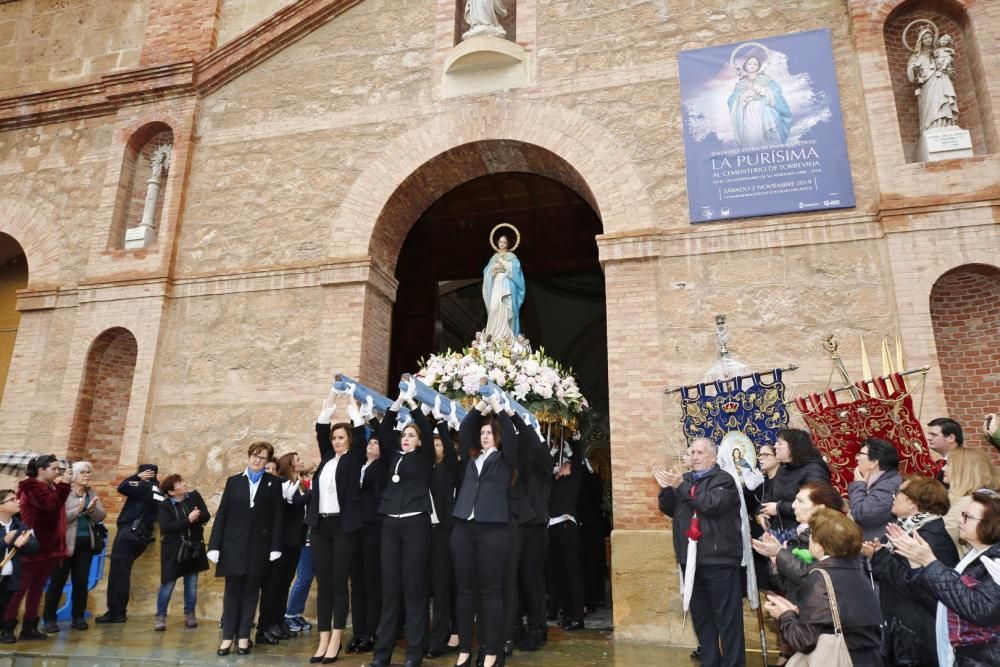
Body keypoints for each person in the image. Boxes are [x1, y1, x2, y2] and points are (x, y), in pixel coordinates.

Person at [657, 437, 745, 667]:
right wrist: (666, 488)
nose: (694, 457)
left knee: (728, 620)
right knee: (702, 618)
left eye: (699, 452)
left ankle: (734, 663)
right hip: (691, 561)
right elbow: (670, 509)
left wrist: (680, 486)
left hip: (719, 559)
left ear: (713, 457)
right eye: (691, 452)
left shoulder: (724, 480)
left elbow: (710, 505)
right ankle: (710, 662)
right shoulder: (684, 480)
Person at [890, 489, 1000, 665]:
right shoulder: (974, 556)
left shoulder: (995, 560)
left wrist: (930, 562)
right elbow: (946, 603)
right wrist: (917, 565)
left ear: (991, 524)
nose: (959, 520)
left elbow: (979, 610)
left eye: (967, 517)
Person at [368, 391, 436, 667]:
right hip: (390, 525)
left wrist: (413, 406)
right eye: (404, 435)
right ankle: (381, 654)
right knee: (391, 591)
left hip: (415, 524)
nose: (406, 438)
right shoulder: (391, 458)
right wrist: (395, 406)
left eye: (411, 435)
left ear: (419, 442)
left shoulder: (424, 457)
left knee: (414, 590)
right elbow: (384, 431)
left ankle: (414, 654)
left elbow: (429, 432)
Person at [764, 508, 883, 666]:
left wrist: (785, 616)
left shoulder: (821, 576)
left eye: (812, 535)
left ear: (820, 545)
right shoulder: (857, 570)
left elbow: (804, 640)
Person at [451, 393, 519, 667]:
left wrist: (499, 409)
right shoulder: (471, 458)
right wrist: (480, 407)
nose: (485, 436)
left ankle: (492, 650)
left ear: (498, 436)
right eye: (483, 432)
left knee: (491, 591)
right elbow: (464, 429)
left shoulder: (505, 460)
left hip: (493, 530)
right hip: (463, 528)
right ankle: (465, 648)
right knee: (464, 591)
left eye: (490, 432)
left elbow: (513, 439)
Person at [866, 475, 958, 666]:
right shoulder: (906, 529)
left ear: (912, 503)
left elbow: (923, 588)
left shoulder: (933, 537)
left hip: (917, 634)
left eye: (898, 493)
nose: (893, 496)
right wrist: (877, 554)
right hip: (900, 627)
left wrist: (880, 557)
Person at [207, 441, 284, 656]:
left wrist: (275, 546)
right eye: (255, 456)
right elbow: (222, 514)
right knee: (232, 593)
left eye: (263, 457)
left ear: (268, 461)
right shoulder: (234, 482)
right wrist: (214, 546)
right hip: (233, 546)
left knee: (251, 593)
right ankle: (226, 638)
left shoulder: (273, 483)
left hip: (259, 547)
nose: (258, 460)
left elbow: (278, 517)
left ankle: (243, 637)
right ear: (249, 457)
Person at [305, 393, 365, 664]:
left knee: (340, 584)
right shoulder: (327, 459)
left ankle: (337, 639)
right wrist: (326, 410)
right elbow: (320, 434)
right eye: (335, 438)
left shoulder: (354, 459)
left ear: (349, 439)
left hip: (343, 527)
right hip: (320, 526)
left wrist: (355, 413)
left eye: (341, 437)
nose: (337, 441)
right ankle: (323, 639)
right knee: (324, 585)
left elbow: (362, 439)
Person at [5, 455, 70, 640]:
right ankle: (7, 627)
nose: (58, 472)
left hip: (49, 547)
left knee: (37, 589)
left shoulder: (52, 488)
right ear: (41, 470)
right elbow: (50, 505)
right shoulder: (32, 487)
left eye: (59, 469)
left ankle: (29, 627)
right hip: (31, 545)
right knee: (20, 589)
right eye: (54, 469)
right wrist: (64, 486)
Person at [752, 481, 844, 605]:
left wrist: (779, 553)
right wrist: (775, 560)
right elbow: (785, 586)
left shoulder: (833, 536)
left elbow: (814, 577)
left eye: (801, 501)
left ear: (820, 508)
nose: (794, 505)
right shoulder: (799, 532)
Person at [42, 461, 106, 633]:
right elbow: (57, 518)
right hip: (64, 545)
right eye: (83, 472)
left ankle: (77, 617)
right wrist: (77, 511)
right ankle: (49, 618)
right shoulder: (62, 493)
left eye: (89, 472)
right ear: (74, 475)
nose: (87, 475)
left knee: (81, 581)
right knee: (57, 582)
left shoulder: (91, 492)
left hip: (85, 544)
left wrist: (91, 510)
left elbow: (101, 516)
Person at [96, 463, 161, 624]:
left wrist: (137, 477)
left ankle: (116, 612)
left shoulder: (142, 486)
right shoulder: (158, 490)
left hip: (129, 532)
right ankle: (118, 611)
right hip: (142, 535)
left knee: (118, 574)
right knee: (123, 573)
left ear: (145, 473)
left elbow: (122, 487)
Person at [258, 451, 309, 643]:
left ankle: (278, 623)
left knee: (284, 585)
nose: (301, 461)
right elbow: (288, 508)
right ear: (289, 465)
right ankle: (265, 627)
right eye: (298, 459)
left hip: (295, 541)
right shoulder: (282, 484)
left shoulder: (300, 484)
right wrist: (314, 491)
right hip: (283, 542)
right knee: (273, 586)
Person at [155, 474, 210, 631]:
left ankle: (189, 614)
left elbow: (206, 515)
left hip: (193, 548)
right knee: (168, 583)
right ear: (171, 492)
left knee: (191, 584)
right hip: (174, 549)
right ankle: (160, 616)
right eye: (179, 483)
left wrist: (197, 516)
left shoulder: (194, 496)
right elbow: (166, 527)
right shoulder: (165, 505)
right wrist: (188, 519)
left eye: (182, 481)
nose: (184, 484)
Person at [425, 410, 460, 659]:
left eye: (439, 443)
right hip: (424, 533)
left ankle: (439, 639)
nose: (436, 445)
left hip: (445, 534)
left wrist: (441, 423)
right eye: (433, 442)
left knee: (443, 588)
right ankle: (434, 634)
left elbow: (446, 442)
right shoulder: (425, 467)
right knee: (431, 587)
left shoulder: (450, 468)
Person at [348, 428, 385, 654]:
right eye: (370, 442)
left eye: (376, 443)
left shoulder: (381, 467)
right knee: (357, 583)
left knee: (372, 582)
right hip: (355, 528)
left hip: (374, 527)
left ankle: (370, 632)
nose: (372, 444)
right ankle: (358, 632)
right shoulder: (357, 466)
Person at [759, 429, 830, 540]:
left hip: (804, 535)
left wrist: (778, 508)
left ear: (793, 447)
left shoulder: (814, 470)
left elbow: (815, 504)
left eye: (780, 443)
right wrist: (762, 512)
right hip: (780, 531)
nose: (775, 446)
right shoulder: (783, 468)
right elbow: (770, 494)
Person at [727, 53, 792, 148]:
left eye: (755, 64)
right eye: (749, 64)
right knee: (751, 136)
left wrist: (764, 90)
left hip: (765, 110)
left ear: (759, 66)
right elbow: (731, 100)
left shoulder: (766, 79)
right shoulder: (741, 83)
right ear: (745, 66)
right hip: (748, 113)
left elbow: (777, 92)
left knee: (769, 139)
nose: (752, 66)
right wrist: (743, 96)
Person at [941, 447, 997, 555]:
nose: (943, 468)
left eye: (948, 464)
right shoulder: (990, 497)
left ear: (963, 470)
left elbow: (941, 541)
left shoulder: (966, 504)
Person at [0, 489, 38, 643]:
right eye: (12, 499)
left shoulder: (20, 525)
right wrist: (4, 541)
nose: (18, 501)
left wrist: (24, 544)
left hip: (10, 578)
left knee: (3, 608)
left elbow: (35, 547)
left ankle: (5, 631)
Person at [906, 26, 959, 133]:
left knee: (945, 101)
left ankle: (947, 124)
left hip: (941, 79)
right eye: (925, 38)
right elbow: (911, 74)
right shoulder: (916, 57)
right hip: (927, 84)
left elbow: (950, 66)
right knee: (932, 104)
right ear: (921, 40)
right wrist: (914, 70)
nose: (928, 39)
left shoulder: (939, 52)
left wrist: (947, 68)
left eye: (930, 37)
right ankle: (932, 126)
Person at [848, 437, 902, 540]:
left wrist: (859, 485)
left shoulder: (889, 486)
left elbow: (863, 515)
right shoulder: (877, 482)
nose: (856, 458)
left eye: (861, 454)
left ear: (874, 462)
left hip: (878, 548)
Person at [285, 466, 315, 634]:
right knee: (303, 577)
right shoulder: (299, 489)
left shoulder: (307, 489)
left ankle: (296, 612)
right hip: (304, 539)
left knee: (308, 577)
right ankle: (289, 614)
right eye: (310, 474)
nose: (312, 477)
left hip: (313, 539)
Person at [482, 234, 525, 343]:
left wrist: (503, 263)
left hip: (506, 286)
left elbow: (516, 270)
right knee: (494, 308)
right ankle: (492, 335)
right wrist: (493, 269)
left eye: (504, 242)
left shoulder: (512, 257)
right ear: (497, 243)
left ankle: (506, 336)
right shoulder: (494, 258)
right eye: (500, 242)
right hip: (496, 285)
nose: (502, 244)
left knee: (506, 308)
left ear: (508, 244)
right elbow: (486, 271)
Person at [927, 417, 963, 482]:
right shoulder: (938, 464)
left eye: (933, 435)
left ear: (951, 438)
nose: (928, 438)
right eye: (929, 434)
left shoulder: (964, 463)